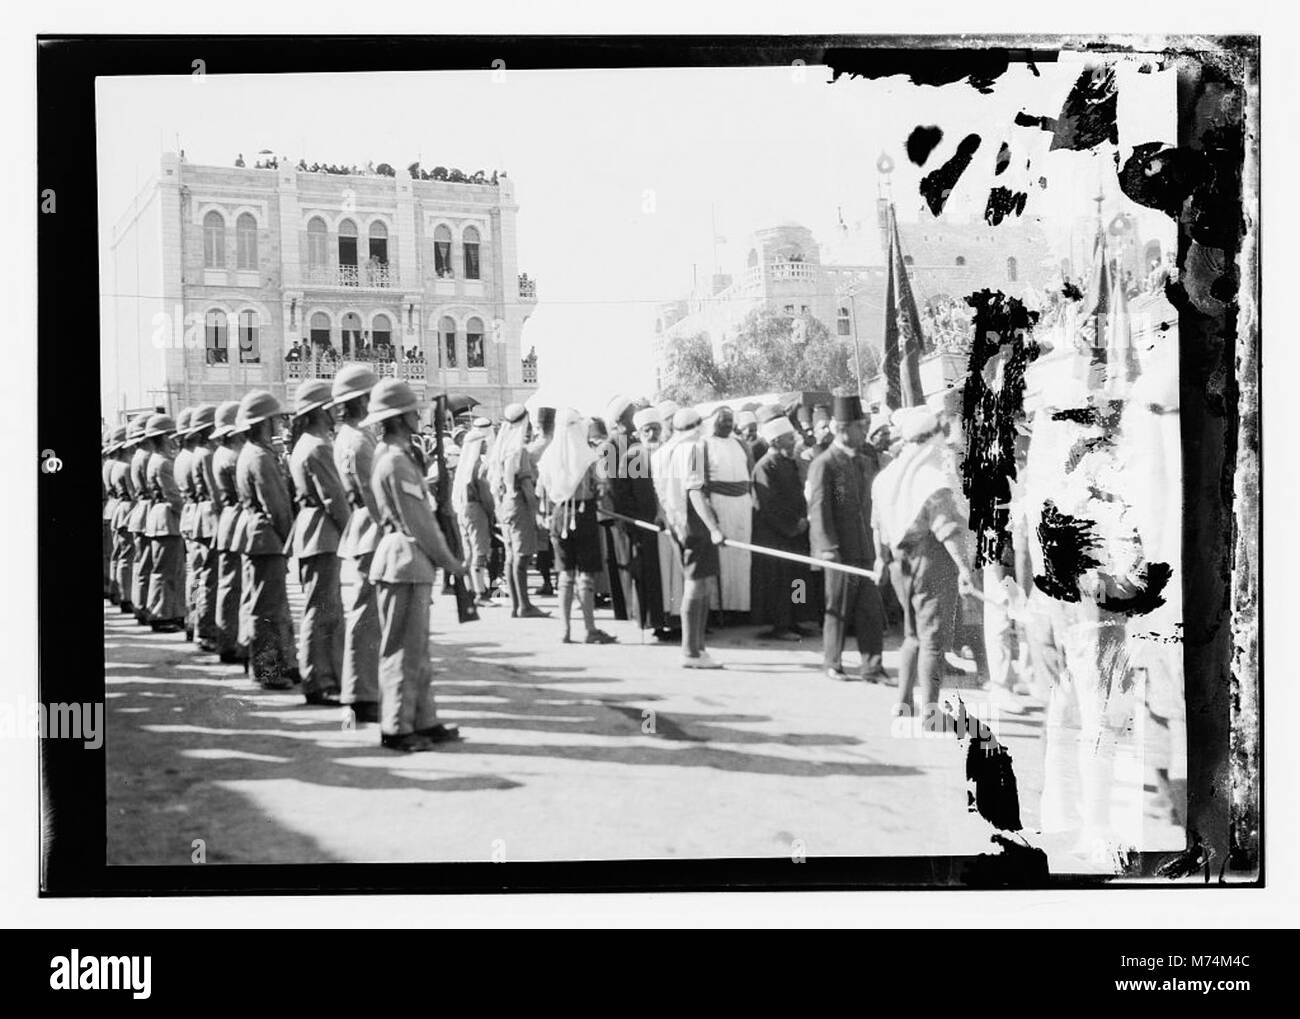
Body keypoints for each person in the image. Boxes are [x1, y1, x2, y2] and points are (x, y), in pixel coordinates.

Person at [363, 379, 464, 752]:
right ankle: (396, 727)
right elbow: (419, 521)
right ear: (401, 417)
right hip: (404, 560)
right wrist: (450, 561)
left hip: (405, 560)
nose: (418, 415)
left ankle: (423, 719)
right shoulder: (394, 461)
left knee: (417, 647)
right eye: (413, 410)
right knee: (403, 649)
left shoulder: (397, 456)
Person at [871, 406, 975, 721]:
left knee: (912, 635)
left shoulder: (887, 475)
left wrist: (879, 558)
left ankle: (903, 704)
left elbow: (876, 524)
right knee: (933, 641)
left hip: (898, 562)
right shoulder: (932, 476)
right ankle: (931, 713)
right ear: (932, 437)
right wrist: (964, 569)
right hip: (931, 561)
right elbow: (947, 529)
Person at [807, 393, 887, 683]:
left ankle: (872, 667)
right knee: (838, 607)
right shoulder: (824, 463)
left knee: (870, 609)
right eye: (860, 427)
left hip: (866, 547)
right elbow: (818, 508)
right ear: (843, 429)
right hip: (839, 550)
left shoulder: (866, 461)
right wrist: (827, 548)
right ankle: (832, 663)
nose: (864, 432)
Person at [288, 379, 351, 706]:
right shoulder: (319, 446)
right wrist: (351, 532)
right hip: (322, 532)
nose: (336, 411)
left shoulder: (306, 443)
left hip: (312, 530)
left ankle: (325, 674)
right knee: (323, 608)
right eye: (331, 406)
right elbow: (334, 498)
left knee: (324, 607)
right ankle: (319, 679)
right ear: (319, 411)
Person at [234, 390, 299, 689]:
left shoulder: (253, 452)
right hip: (267, 538)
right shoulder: (260, 457)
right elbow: (278, 507)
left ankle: (265, 663)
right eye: (275, 420)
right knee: (269, 609)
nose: (279, 425)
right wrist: (289, 541)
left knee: (261, 605)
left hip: (257, 537)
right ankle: (268, 670)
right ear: (262, 423)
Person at [653, 407, 726, 668]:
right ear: (697, 426)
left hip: (676, 523)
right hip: (694, 523)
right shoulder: (694, 448)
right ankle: (691, 652)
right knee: (697, 586)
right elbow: (695, 490)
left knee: (699, 584)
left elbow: (660, 493)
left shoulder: (661, 452)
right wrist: (713, 527)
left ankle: (698, 649)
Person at [537, 409, 617, 644]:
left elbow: (542, 492)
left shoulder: (548, 457)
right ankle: (589, 628)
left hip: (559, 515)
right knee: (586, 576)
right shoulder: (589, 458)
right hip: (584, 514)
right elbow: (602, 488)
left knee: (565, 575)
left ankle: (565, 629)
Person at [331, 365, 383, 721]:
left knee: (369, 613)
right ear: (363, 399)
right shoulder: (359, 440)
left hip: (364, 526)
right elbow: (373, 492)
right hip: (371, 527)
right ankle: (362, 692)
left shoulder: (354, 435)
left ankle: (364, 689)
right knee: (367, 615)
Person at [750, 415, 810, 641]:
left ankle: (797, 618)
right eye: (788, 438)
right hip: (775, 534)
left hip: (795, 532)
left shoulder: (788, 462)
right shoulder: (764, 467)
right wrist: (793, 525)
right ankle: (781, 624)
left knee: (798, 579)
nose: (793, 441)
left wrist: (802, 519)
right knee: (780, 581)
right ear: (775, 441)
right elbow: (769, 504)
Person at [487, 403, 548, 619]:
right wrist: (538, 511)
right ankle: (524, 605)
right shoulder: (517, 452)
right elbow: (526, 485)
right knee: (522, 557)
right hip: (518, 504)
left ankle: (516, 605)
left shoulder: (501, 450)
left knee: (511, 557)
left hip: (505, 505)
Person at [616, 405, 672, 640]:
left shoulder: (668, 452)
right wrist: (636, 524)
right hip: (646, 526)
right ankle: (654, 623)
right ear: (638, 433)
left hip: (669, 525)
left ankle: (673, 620)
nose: (652, 435)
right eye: (647, 430)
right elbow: (623, 496)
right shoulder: (633, 457)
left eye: (656, 429)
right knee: (650, 576)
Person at [701, 405, 753, 618]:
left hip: (743, 505)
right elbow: (699, 483)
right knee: (721, 558)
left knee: (742, 557)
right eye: (722, 419)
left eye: (730, 420)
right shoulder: (701, 445)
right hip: (718, 504)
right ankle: (718, 611)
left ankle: (740, 609)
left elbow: (751, 473)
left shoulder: (741, 444)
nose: (726, 424)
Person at [209, 400, 248, 667]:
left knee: (228, 585)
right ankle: (231, 642)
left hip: (226, 520)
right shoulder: (234, 457)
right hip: (236, 520)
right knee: (235, 586)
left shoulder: (220, 453)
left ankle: (227, 639)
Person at [143, 413, 187, 633]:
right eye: (170, 435)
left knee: (172, 570)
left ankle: (172, 612)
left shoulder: (158, 460)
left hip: (163, 518)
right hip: (167, 519)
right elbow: (174, 497)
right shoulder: (163, 463)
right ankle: (160, 615)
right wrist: (186, 514)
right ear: (163, 437)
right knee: (166, 571)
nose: (174, 439)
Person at [187, 404, 221, 653]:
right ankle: (206, 629)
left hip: (195, 517)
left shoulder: (189, 455)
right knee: (209, 579)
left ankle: (195, 620)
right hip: (208, 519)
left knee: (198, 577)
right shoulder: (207, 454)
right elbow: (215, 492)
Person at [452, 425, 496, 606]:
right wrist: (491, 513)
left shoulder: (463, 467)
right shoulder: (478, 467)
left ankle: (471, 588)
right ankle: (480, 593)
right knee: (480, 550)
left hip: (463, 509)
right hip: (476, 510)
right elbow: (486, 497)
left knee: (469, 551)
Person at [126, 412, 156, 625]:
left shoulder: (138, 456)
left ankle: (142, 606)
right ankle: (152, 609)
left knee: (144, 567)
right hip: (151, 514)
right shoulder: (147, 457)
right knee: (158, 569)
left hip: (142, 513)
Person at [106, 425, 137, 615]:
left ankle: (117, 593)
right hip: (127, 510)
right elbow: (133, 494)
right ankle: (126, 597)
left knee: (118, 556)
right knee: (127, 557)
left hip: (116, 508)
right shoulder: (125, 466)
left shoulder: (112, 465)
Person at [528, 406, 557, 596]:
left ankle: (547, 581)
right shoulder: (559, 444)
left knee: (544, 546)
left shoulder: (532, 449)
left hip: (541, 502)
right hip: (558, 501)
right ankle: (556, 581)